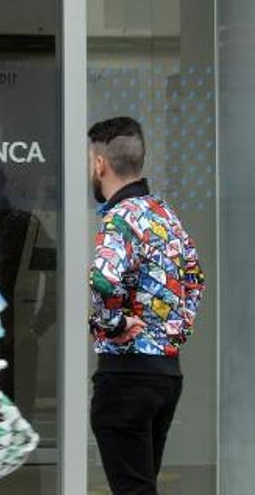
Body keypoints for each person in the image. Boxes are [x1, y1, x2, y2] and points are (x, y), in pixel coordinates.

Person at [87, 117, 205, 495]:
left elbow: (103, 279)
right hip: (166, 374)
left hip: (125, 377)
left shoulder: (119, 219)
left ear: (100, 164)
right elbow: (195, 279)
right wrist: (173, 331)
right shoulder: (165, 215)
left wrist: (116, 324)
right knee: (142, 485)